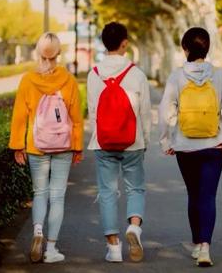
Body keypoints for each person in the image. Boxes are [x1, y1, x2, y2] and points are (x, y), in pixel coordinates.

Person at [158, 27, 222, 267]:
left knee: (193, 194)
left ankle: (197, 243)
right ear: (207, 49)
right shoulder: (219, 75)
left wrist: (166, 141)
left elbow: (166, 111)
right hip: (214, 145)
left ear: (184, 49)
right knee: (208, 195)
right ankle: (205, 246)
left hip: (185, 146)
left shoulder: (176, 76)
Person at [8, 33, 84, 264]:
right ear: (58, 54)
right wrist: (77, 146)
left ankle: (37, 232)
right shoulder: (68, 80)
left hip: (36, 145)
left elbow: (19, 117)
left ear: (38, 53)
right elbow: (77, 117)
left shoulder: (28, 80)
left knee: (39, 193)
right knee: (57, 196)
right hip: (62, 144)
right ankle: (51, 249)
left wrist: (17, 146)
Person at [87, 22, 152, 263]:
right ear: (125, 43)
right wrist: (145, 139)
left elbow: (93, 112)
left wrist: (98, 135)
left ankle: (113, 248)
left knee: (107, 192)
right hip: (132, 142)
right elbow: (145, 112)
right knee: (135, 188)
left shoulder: (93, 75)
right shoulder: (136, 74)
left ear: (104, 44)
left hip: (103, 142)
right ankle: (134, 227)